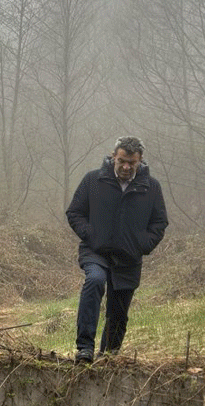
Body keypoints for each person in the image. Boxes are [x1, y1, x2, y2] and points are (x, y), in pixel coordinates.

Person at [65, 135, 168, 363]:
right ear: (114, 157)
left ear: (140, 160)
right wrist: (91, 234)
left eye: (132, 163)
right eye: (122, 161)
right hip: (96, 251)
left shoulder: (151, 187)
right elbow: (75, 212)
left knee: (119, 312)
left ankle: (108, 358)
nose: (126, 167)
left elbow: (159, 223)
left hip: (129, 258)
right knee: (94, 281)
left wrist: (143, 244)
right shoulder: (93, 180)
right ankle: (85, 349)